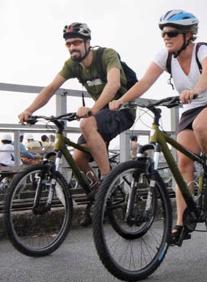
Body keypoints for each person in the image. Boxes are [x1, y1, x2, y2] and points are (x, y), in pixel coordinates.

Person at [110, 10, 207, 244]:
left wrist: (197, 91)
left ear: (188, 35)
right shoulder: (166, 56)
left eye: (171, 33)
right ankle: (182, 221)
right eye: (163, 34)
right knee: (183, 163)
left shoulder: (204, 50)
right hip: (191, 106)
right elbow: (145, 82)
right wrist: (122, 100)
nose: (166, 37)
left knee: (202, 126)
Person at [18, 22, 136, 225]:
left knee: (86, 124)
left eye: (77, 42)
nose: (72, 47)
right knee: (78, 157)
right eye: (69, 44)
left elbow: (113, 83)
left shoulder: (106, 55)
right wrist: (30, 110)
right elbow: (51, 87)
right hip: (101, 114)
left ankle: (108, 181)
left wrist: (93, 110)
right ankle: (98, 188)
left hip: (122, 109)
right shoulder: (72, 65)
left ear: (87, 43)